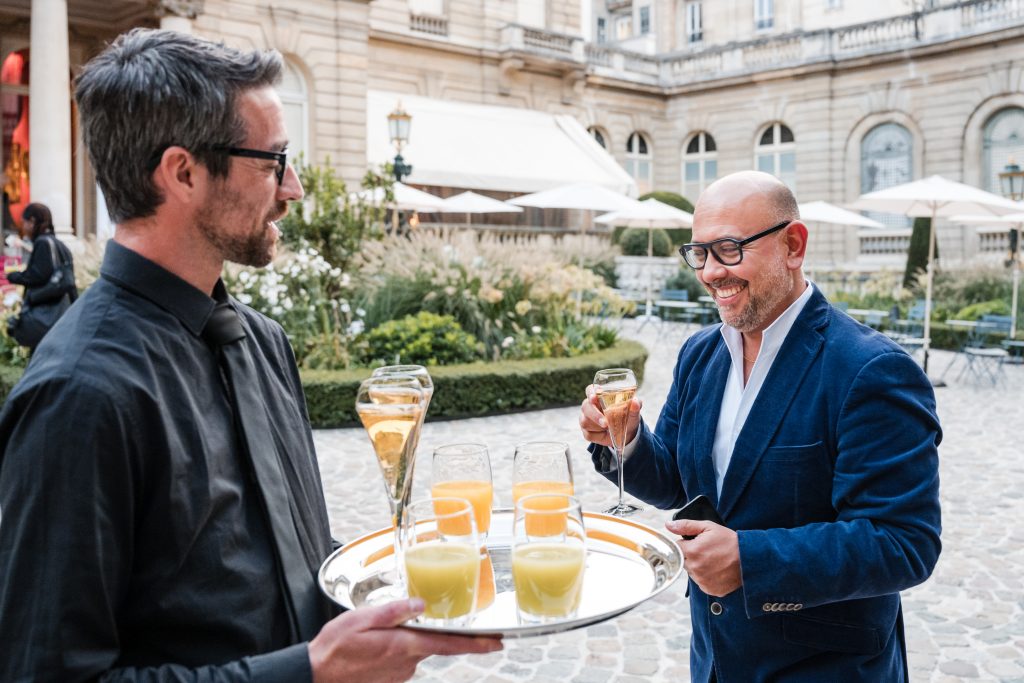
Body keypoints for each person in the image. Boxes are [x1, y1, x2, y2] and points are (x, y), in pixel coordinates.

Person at [0, 29, 501, 682]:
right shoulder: (81, 392)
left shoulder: (262, 341)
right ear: (183, 172)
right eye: (274, 161)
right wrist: (309, 670)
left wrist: (390, 589)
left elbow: (284, 565)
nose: (292, 188)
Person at [580, 170, 941, 682]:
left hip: (826, 669)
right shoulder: (700, 353)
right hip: (714, 660)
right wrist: (628, 443)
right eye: (698, 253)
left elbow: (903, 542)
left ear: (793, 245)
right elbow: (678, 484)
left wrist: (750, 560)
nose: (708, 272)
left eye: (728, 249)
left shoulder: (870, 370)